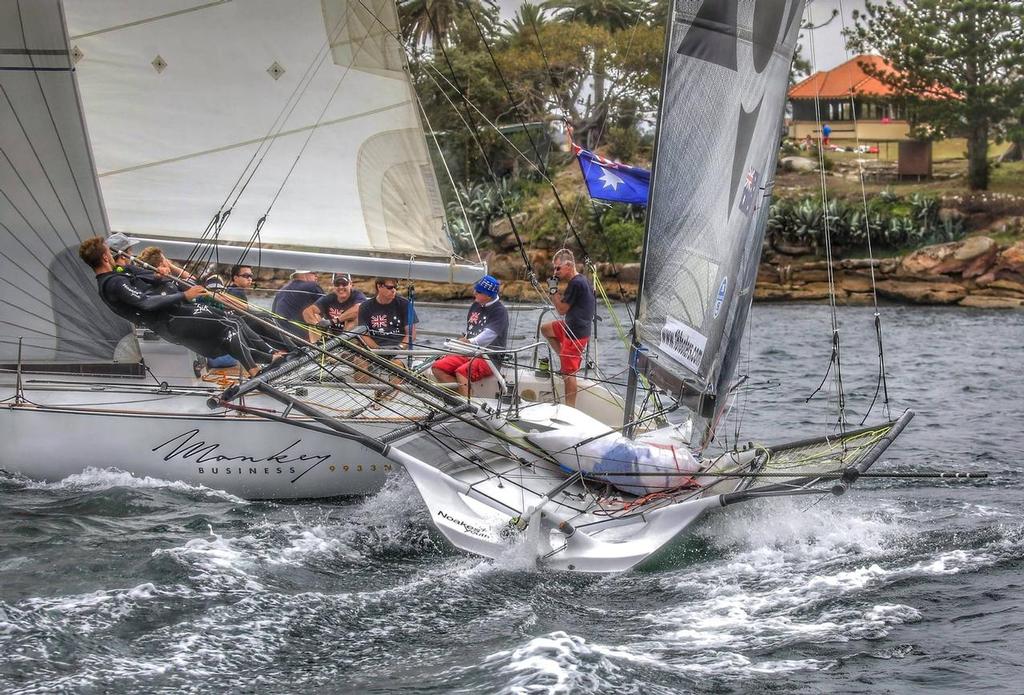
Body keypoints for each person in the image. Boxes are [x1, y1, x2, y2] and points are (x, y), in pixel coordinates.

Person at [78, 236, 277, 375]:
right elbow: (145, 302)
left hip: (177, 313)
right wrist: (184, 294)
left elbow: (147, 279)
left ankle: (272, 356)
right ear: (106, 257)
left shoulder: (120, 273)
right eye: (110, 254)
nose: (115, 257)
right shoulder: (113, 282)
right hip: (169, 321)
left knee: (232, 320)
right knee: (229, 326)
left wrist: (159, 276)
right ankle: (256, 370)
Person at [431, 275, 508, 397]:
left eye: (478, 291)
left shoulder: (500, 311)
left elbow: (489, 335)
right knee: (438, 367)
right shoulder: (476, 304)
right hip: (468, 352)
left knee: (462, 372)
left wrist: (470, 342)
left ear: (488, 295)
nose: (474, 293)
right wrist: (462, 342)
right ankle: (460, 399)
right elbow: (471, 328)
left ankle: (468, 406)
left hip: (489, 357)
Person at [540, 249, 595, 408]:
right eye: (554, 268)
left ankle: (570, 409)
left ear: (569, 265)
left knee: (568, 374)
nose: (555, 272)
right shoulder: (580, 280)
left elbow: (561, 310)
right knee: (546, 329)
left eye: (558, 268)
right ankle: (565, 360)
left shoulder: (577, 283)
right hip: (570, 326)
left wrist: (552, 290)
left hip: (576, 334)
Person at [302, 273, 366, 341]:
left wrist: (333, 321)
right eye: (337, 284)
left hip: (350, 336)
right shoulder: (329, 297)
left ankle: (344, 344)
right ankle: (316, 347)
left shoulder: (358, 296)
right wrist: (317, 325)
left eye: (344, 283)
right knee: (315, 316)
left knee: (353, 319)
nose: (340, 287)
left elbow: (358, 310)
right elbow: (307, 311)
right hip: (331, 335)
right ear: (333, 285)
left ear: (350, 284)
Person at [358, 278, 418, 351]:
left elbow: (411, 334)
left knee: (396, 362)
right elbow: (363, 335)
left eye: (395, 287)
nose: (394, 290)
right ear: (379, 286)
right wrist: (378, 350)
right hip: (375, 350)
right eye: (390, 287)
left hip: (400, 351)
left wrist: (400, 348)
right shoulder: (365, 306)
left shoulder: (405, 304)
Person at [272, 270, 324, 340]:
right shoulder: (312, 286)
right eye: (314, 273)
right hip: (302, 340)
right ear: (304, 274)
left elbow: (273, 314)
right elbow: (329, 309)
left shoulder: (281, 291)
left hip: (281, 338)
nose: (317, 276)